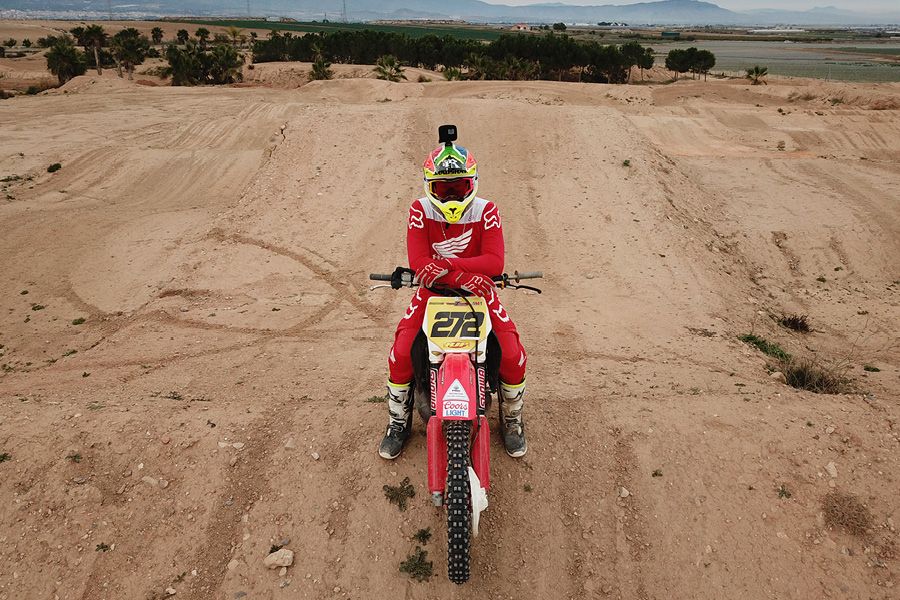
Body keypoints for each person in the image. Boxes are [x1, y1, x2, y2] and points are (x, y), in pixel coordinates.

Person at [378, 137, 529, 460]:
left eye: (458, 187)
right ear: (429, 186)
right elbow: (420, 263)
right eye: (442, 189)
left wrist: (445, 266)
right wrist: (465, 275)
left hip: (479, 292)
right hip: (439, 291)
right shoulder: (419, 209)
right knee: (401, 354)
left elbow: (495, 263)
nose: (450, 196)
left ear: (471, 183)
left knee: (513, 355)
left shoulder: (486, 209)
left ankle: (512, 417)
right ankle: (398, 420)